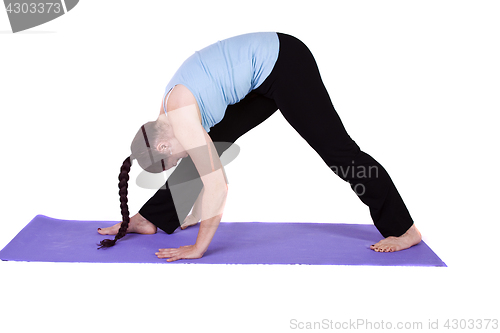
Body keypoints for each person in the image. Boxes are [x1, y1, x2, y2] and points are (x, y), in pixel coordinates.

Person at [98, 32, 422, 262]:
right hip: (257, 76)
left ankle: (404, 229)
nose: (176, 161)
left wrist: (198, 248)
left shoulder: (180, 121)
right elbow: (195, 157)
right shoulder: (164, 119)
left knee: (339, 152)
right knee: (208, 149)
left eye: (168, 161)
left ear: (164, 144)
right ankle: (150, 218)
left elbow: (218, 188)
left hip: (286, 63)